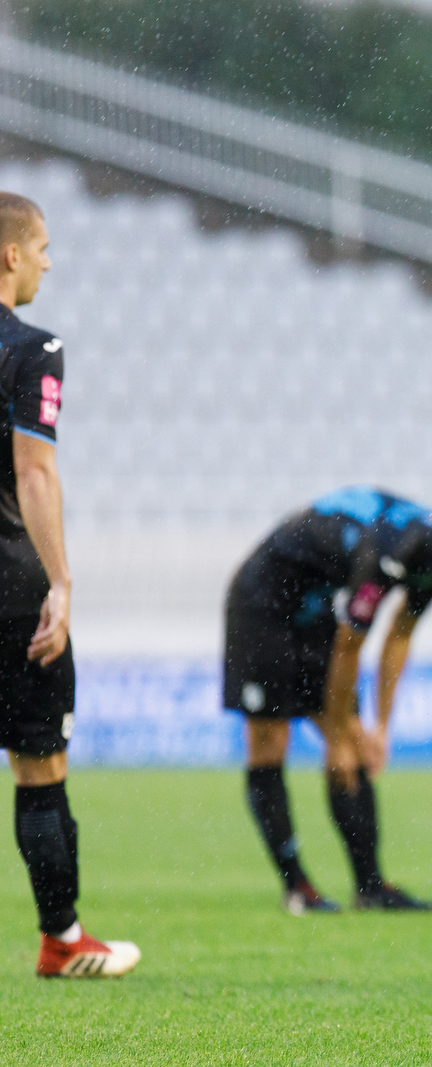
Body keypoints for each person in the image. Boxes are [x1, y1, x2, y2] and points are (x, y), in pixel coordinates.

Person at [224, 485, 432, 913]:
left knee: (357, 748)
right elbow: (349, 647)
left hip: (316, 609)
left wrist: (379, 726)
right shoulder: (395, 549)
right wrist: (340, 733)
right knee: (272, 741)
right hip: (263, 604)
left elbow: (398, 637)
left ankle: (370, 889)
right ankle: (297, 888)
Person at [0, 192, 141, 977]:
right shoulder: (33, 348)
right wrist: (61, 581)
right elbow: (33, 470)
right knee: (38, 761)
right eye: (43, 247)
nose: (50, 261)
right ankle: (62, 938)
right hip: (10, 585)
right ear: (11, 255)